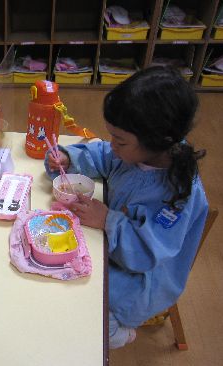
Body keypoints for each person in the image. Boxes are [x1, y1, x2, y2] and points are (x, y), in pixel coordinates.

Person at [45, 66, 208, 349]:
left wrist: (108, 220)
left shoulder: (177, 194)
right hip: (117, 246)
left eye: (119, 140)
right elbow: (104, 155)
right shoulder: (137, 151)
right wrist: (70, 158)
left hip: (146, 278)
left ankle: (119, 334)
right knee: (69, 270)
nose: (112, 146)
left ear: (158, 141)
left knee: (89, 293)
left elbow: (147, 253)